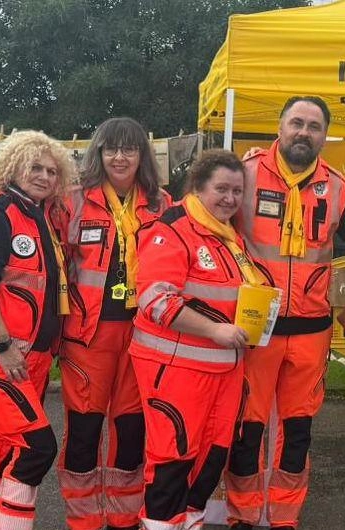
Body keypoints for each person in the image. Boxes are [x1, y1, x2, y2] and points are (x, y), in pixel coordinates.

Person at [226, 96, 345, 530]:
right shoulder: (243, 173)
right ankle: (243, 515)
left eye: (314, 126)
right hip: (256, 325)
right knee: (248, 426)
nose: (304, 132)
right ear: (279, 126)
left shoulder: (339, 186)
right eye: (296, 122)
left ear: (324, 135)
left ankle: (284, 517)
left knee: (297, 431)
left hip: (312, 329)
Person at [51, 116, 170, 530]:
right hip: (88, 336)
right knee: (84, 429)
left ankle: (123, 517)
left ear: (142, 156)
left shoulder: (162, 204)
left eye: (129, 149)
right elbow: (57, 268)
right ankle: (83, 519)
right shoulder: (73, 200)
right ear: (98, 153)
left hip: (144, 335)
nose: (120, 157)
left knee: (132, 428)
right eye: (111, 148)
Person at [0, 130, 75, 530]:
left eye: (51, 171)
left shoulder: (38, 216)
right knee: (39, 449)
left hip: (30, 358)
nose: (43, 176)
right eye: (34, 167)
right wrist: (3, 345)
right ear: (12, 167)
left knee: (4, 448)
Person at [130, 149, 257, 530]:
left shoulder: (230, 236)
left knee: (209, 461)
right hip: (176, 370)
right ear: (198, 187)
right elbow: (155, 299)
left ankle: (192, 521)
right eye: (222, 189)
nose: (231, 199)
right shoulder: (172, 229)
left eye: (238, 191)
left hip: (224, 372)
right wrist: (217, 330)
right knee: (172, 460)